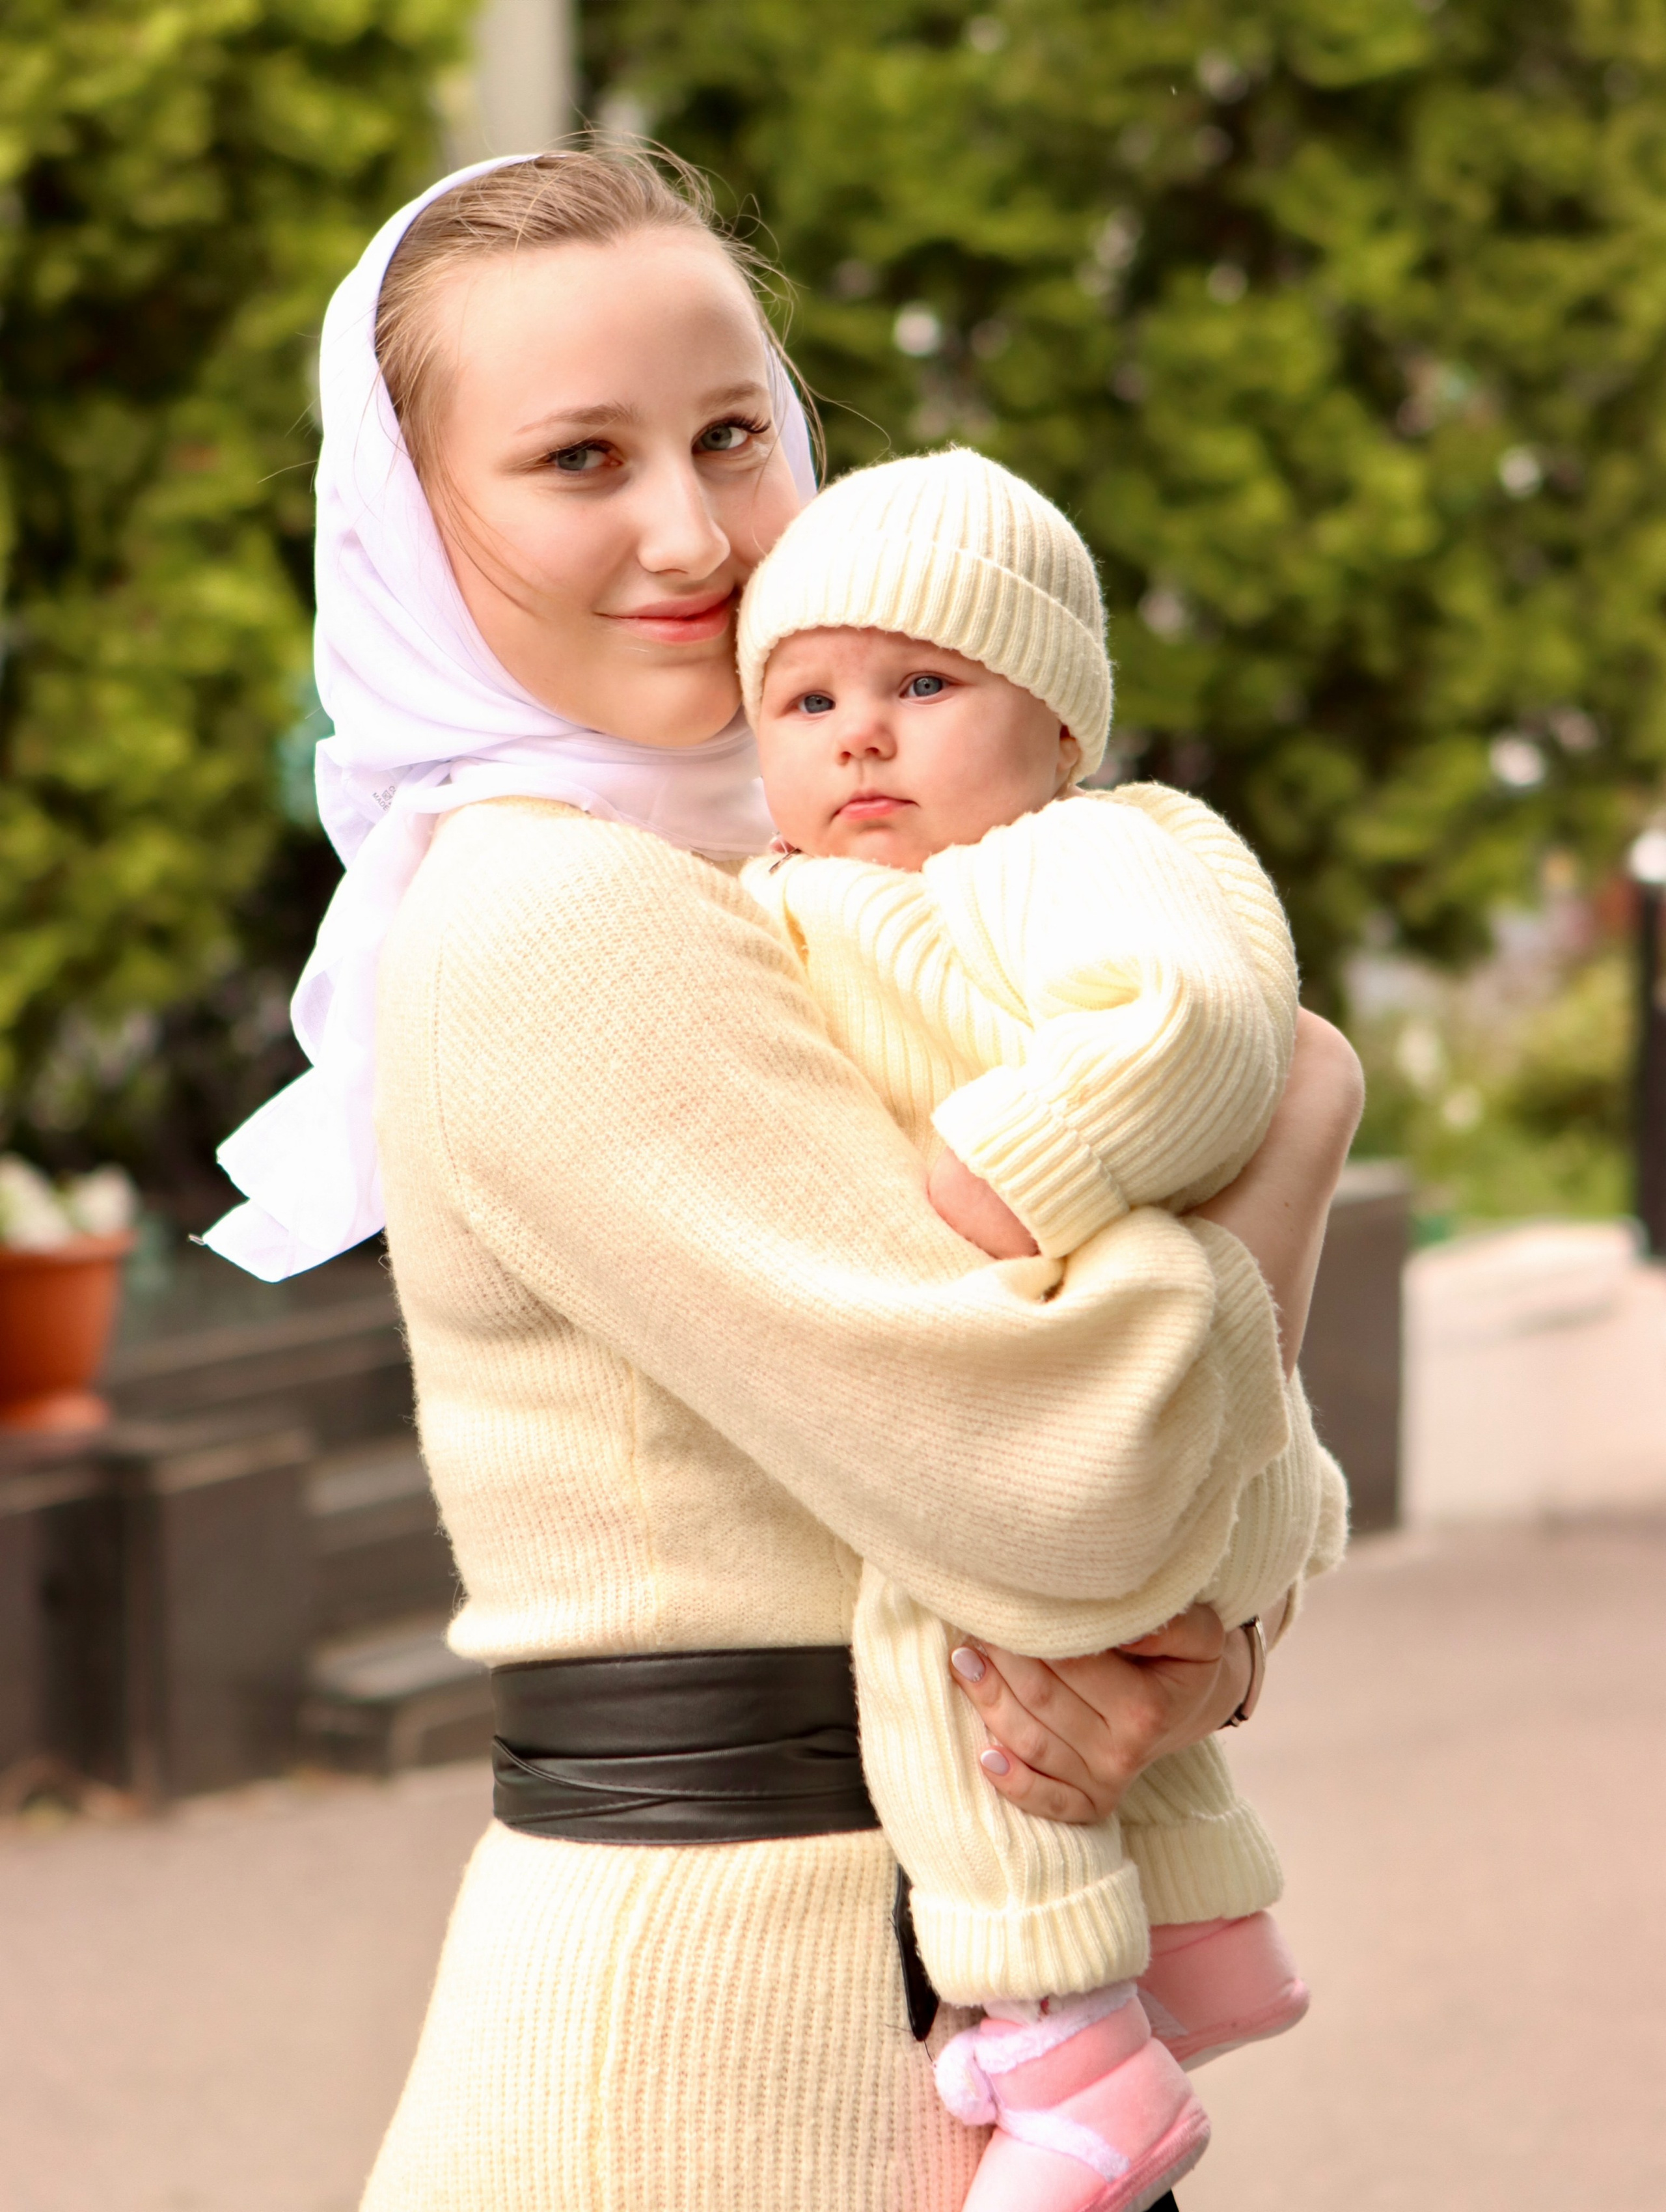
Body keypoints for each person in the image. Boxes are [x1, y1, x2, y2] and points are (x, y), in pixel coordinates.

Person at [203, 147, 1363, 2211]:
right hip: (725, 2049)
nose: (695, 534)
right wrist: (1289, 1119)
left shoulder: (798, 888)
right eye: (578, 458)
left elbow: (1092, 1508)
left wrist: (1208, 1648)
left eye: (733, 434)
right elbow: (1062, 1477)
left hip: (895, 1993)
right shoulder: (554, 917)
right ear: (412, 525)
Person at [737, 447, 1351, 2212]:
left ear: (1063, 730)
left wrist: (1020, 1162)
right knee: (984, 1612)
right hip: (1134, 1374)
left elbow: (1203, 1027)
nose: (862, 735)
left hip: (1161, 1383)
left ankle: (1083, 2060)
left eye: (925, 685)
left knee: (957, 1661)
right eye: (810, 696)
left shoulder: (1089, 853)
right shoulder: (807, 888)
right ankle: (1201, 1938)